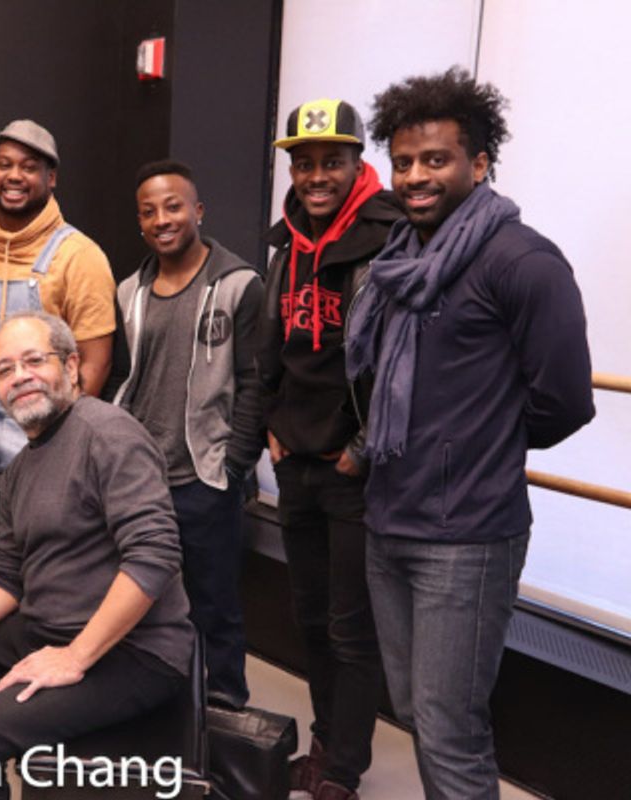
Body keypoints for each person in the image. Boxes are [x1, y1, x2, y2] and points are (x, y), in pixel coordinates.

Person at [347, 67, 594, 799]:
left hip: (468, 536)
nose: (415, 177)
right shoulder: (400, 258)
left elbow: (564, 401)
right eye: (402, 161)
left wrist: (472, 452)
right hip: (388, 518)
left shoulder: (522, 261)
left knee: (450, 725)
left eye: (436, 159)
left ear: (479, 163)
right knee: (420, 710)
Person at [0, 311, 194, 799]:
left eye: (33, 361)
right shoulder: (22, 467)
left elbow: (154, 555)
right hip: (52, 628)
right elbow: (5, 579)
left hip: (133, 652)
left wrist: (73, 657)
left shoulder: (108, 434)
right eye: (4, 369)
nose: (19, 376)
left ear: (72, 366)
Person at [259, 99, 402, 800]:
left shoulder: (391, 235)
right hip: (296, 460)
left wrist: (365, 449)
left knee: (351, 628)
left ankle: (344, 769)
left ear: (357, 161)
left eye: (332, 161)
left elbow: (406, 361)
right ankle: (325, 743)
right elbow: (274, 348)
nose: (317, 175)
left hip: (352, 468)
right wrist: (270, 427)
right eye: (305, 161)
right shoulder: (286, 241)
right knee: (310, 618)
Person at [111, 160, 264, 711]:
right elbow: (120, 379)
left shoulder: (240, 285)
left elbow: (254, 383)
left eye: (173, 206)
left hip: (204, 477)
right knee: (143, 607)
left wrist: (235, 467)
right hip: (139, 481)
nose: (162, 219)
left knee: (214, 608)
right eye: (149, 212)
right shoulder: (129, 291)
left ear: (198, 211)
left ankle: (224, 720)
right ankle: (162, 717)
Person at [0, 119, 116, 474]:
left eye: (29, 167)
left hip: (37, 428)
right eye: (5, 164)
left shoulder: (79, 256)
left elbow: (96, 363)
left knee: (35, 529)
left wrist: (59, 436)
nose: (14, 176)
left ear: (51, 178)